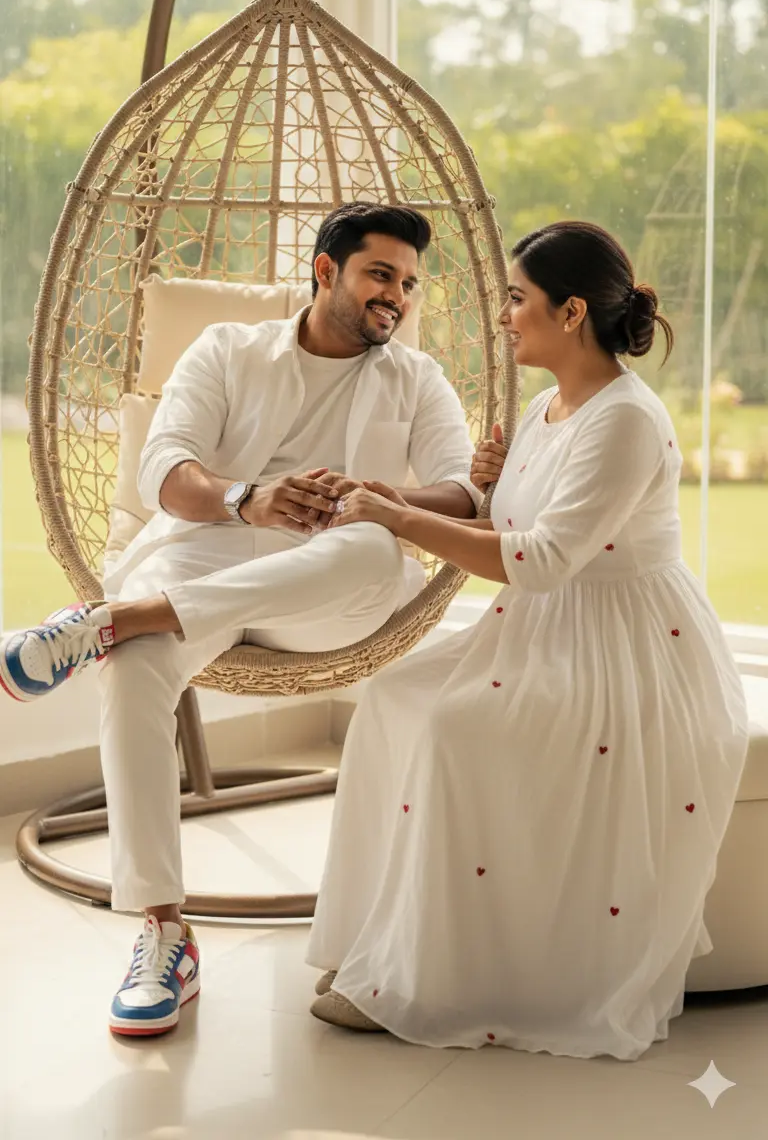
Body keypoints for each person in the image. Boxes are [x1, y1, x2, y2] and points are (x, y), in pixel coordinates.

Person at [0, 202, 482, 1037]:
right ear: (326, 271)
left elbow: (465, 495)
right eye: (380, 275)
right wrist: (247, 499)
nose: (396, 298)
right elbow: (164, 470)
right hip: (209, 557)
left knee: (375, 548)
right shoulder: (226, 348)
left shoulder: (417, 377)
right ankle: (164, 934)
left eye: (407, 284)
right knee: (136, 667)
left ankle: (109, 619)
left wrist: (378, 498)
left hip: (329, 595)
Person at [305, 220, 750, 1063]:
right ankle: (379, 946)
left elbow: (540, 561)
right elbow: (506, 524)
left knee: (455, 728)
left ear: (571, 311)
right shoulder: (548, 406)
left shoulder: (625, 420)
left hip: (621, 646)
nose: (504, 316)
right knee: (395, 697)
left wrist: (397, 517)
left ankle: (431, 978)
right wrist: (409, 496)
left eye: (517, 299)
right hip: (543, 627)